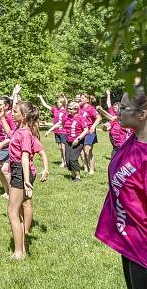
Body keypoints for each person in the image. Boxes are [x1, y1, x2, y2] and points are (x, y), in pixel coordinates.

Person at [95, 87, 147, 288]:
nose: (119, 112)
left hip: (142, 246)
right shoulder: (133, 139)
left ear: (142, 115)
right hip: (129, 239)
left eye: (124, 108)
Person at [0, 101, 48, 259]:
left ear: (23, 116)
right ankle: (22, 249)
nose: (12, 112)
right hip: (19, 170)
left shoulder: (25, 134)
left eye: (15, 111)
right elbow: (9, 132)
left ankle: (19, 253)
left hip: (20, 171)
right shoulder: (20, 130)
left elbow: (25, 158)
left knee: (12, 211)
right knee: (15, 211)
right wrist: (2, 117)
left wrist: (26, 180)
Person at [47, 101, 88, 182]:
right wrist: (50, 130)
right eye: (68, 108)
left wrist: (78, 138)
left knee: (73, 159)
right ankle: (73, 175)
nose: (68, 110)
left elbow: (86, 130)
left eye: (70, 109)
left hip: (78, 142)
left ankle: (78, 177)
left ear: (76, 110)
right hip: (68, 140)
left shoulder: (81, 118)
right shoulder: (67, 116)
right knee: (68, 159)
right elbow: (59, 123)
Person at [38, 94, 67, 167]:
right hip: (57, 131)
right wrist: (41, 97)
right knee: (60, 147)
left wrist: (49, 130)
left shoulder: (65, 112)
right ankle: (63, 161)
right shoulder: (55, 109)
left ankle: (65, 162)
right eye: (57, 102)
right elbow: (45, 105)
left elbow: (59, 123)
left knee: (63, 147)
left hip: (63, 131)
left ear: (63, 103)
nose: (58, 103)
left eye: (60, 102)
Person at [80, 93, 102, 174]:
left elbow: (99, 118)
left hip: (90, 132)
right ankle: (85, 167)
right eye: (80, 98)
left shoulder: (91, 108)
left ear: (87, 100)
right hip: (82, 132)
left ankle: (92, 170)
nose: (80, 99)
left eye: (82, 98)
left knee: (88, 150)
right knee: (82, 151)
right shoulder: (80, 108)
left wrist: (93, 126)